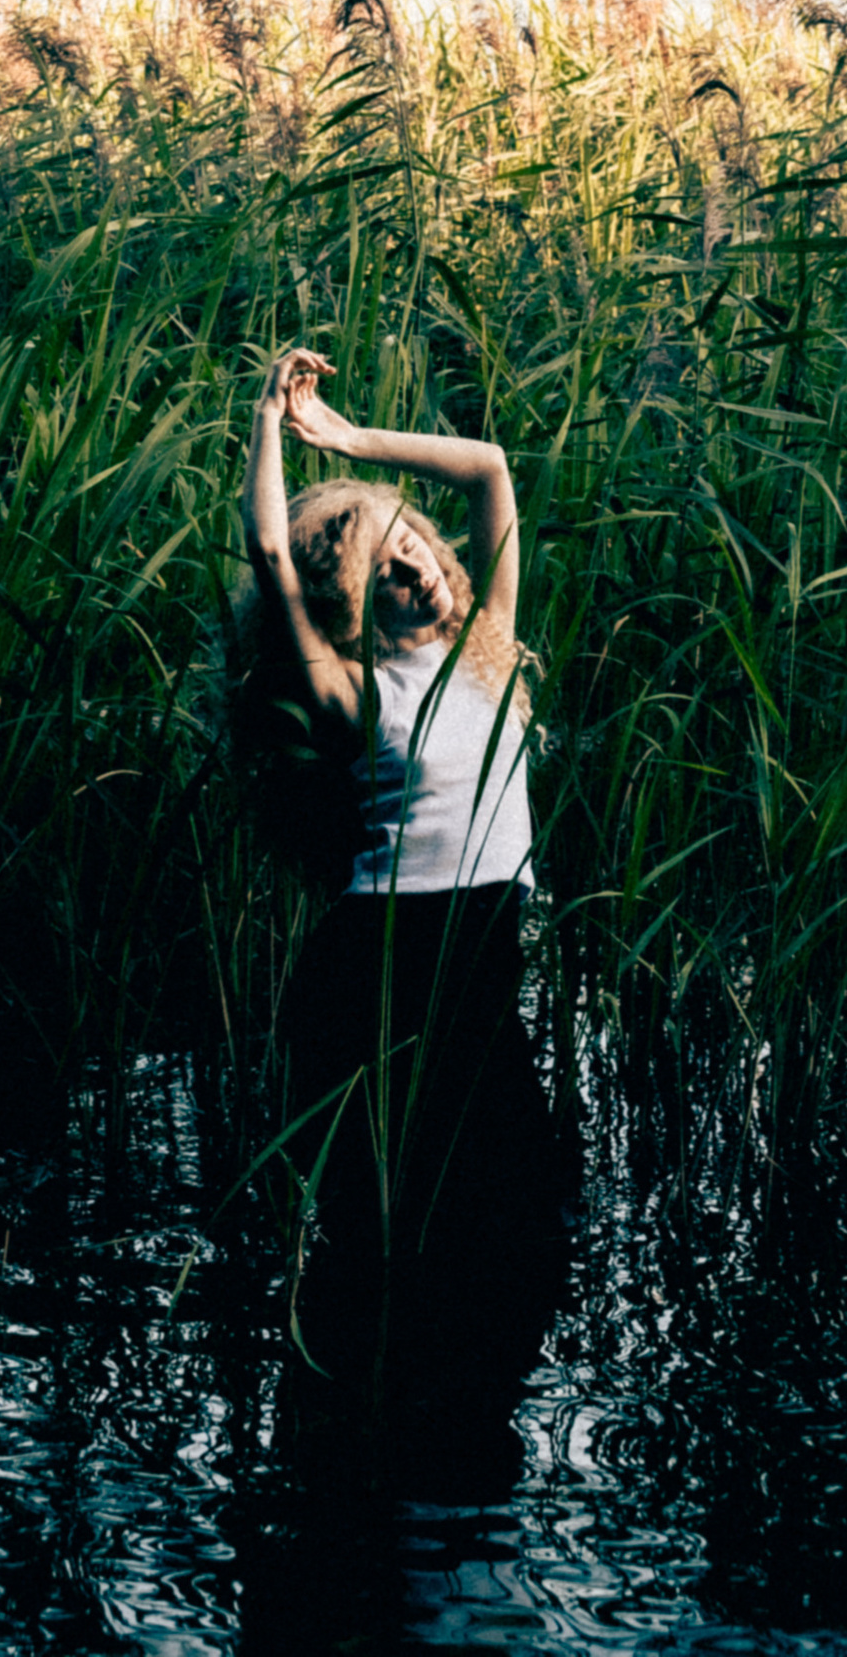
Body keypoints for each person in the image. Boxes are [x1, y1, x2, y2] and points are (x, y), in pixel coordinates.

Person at [235, 346, 556, 1318]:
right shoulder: (351, 692)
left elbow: (490, 466)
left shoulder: (488, 649)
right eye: (382, 562)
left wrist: (345, 437)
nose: (413, 558)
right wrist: (265, 424)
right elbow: (268, 555)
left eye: (410, 540)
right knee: (390, 1210)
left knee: (508, 1193)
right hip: (386, 957)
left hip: (492, 942)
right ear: (351, 599)